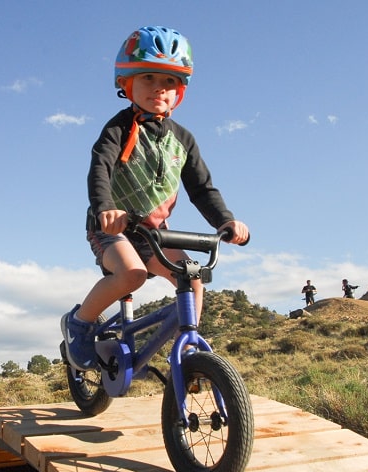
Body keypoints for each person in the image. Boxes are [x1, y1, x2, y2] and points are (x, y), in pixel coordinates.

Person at [60, 26, 250, 371]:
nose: (159, 88)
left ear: (180, 90)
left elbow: (202, 188)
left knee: (192, 275)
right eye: (148, 78)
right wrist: (105, 208)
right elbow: (99, 167)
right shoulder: (118, 127)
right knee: (131, 274)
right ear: (127, 83)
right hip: (112, 228)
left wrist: (225, 220)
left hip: (154, 233)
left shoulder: (183, 139)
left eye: (169, 81)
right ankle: (80, 323)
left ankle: (187, 348)